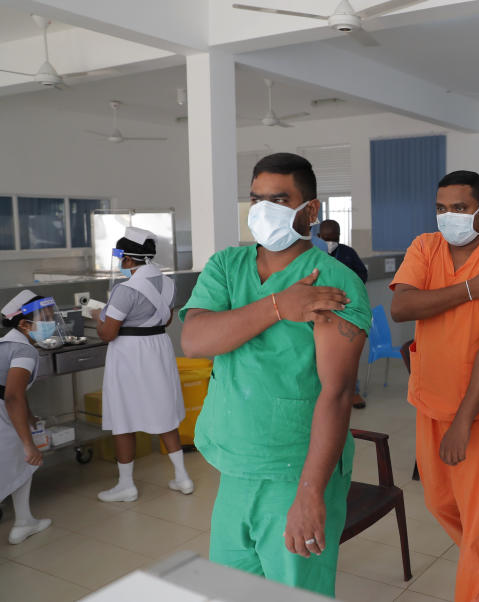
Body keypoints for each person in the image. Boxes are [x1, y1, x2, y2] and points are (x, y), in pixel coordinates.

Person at [179, 152, 371, 598]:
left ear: (311, 210)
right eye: (256, 199)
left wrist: (309, 493)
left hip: (296, 469)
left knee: (294, 591)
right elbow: (195, 339)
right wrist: (278, 307)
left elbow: (338, 394)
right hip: (235, 463)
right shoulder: (228, 267)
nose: (263, 210)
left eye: (279, 199)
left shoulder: (334, 283)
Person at [390, 170, 479, 602]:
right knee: (438, 501)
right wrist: (470, 289)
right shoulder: (425, 246)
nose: (448, 216)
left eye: (459, 208)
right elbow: (401, 307)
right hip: (429, 398)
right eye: (441, 208)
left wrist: (464, 422)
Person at [93, 227, 193, 502]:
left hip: (129, 352)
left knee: (123, 415)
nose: (119, 263)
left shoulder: (124, 289)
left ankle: (126, 485)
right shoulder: (169, 283)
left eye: (120, 257)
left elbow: (108, 333)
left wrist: (96, 316)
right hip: (158, 348)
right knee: (164, 410)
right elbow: (167, 320)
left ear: (127, 260)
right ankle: (182, 477)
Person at [1, 291, 53, 545]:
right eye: (45, 318)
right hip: (4, 412)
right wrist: (28, 443)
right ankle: (23, 521)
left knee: (21, 466)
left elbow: (13, 392)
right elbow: (12, 396)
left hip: (6, 409)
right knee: (22, 459)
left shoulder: (7, 343)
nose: (51, 322)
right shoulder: (24, 350)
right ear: (24, 324)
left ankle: (24, 521)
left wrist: (29, 416)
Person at [314, 219, 368, 409]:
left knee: (346, 358)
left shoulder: (347, 253)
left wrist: (348, 290)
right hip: (319, 310)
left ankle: (353, 392)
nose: (331, 241)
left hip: (344, 311)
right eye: (327, 238)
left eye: (334, 237)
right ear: (319, 236)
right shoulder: (313, 253)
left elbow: (362, 275)